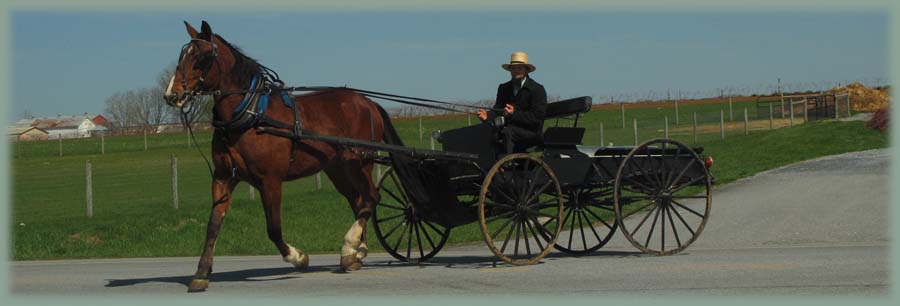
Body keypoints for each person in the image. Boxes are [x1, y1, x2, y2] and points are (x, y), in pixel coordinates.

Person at [478, 51, 548, 153]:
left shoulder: (537, 89)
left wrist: (514, 113)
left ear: (526, 70)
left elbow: (537, 117)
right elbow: (498, 110)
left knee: (507, 132)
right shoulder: (504, 88)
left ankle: (507, 162)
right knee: (485, 130)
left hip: (531, 132)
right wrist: (487, 115)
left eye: (519, 68)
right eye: (513, 68)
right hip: (509, 129)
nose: (516, 71)